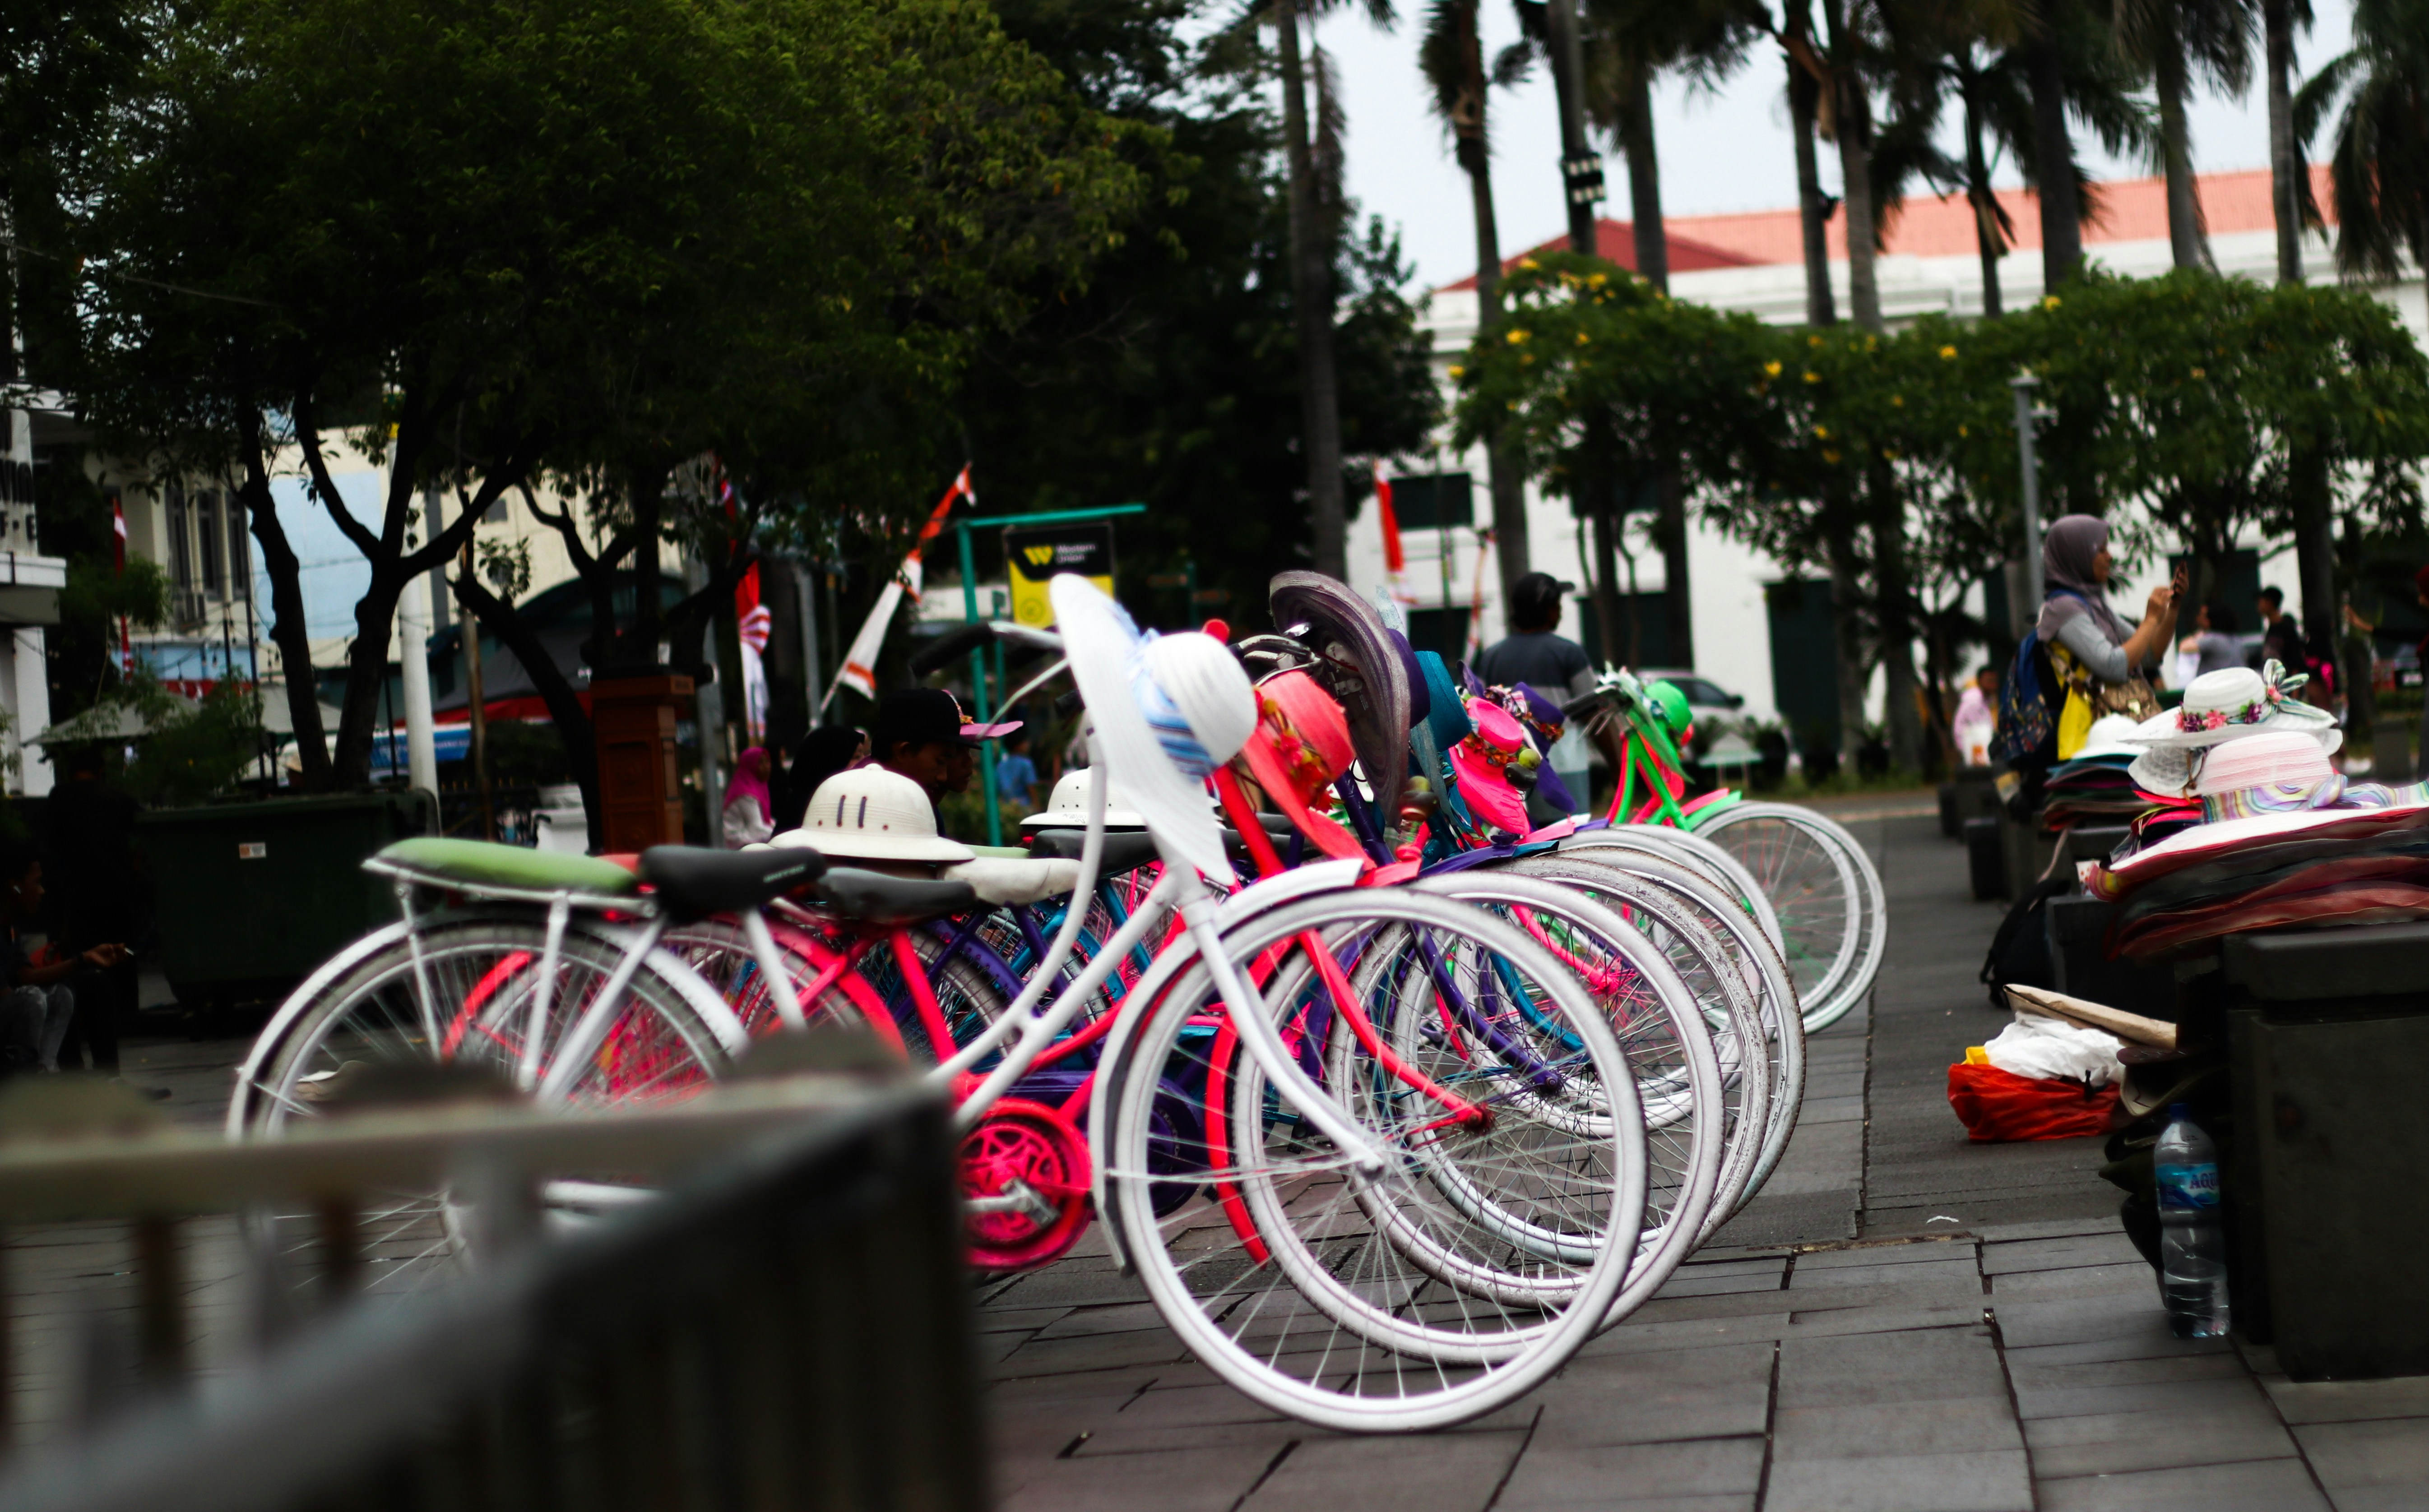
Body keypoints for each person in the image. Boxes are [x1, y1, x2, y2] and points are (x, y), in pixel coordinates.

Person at [42, 746, 149, 1083]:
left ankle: (85, 1023)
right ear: (102, 769)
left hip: (77, 893)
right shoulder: (117, 799)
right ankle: (124, 1015)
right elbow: (144, 831)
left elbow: (50, 845)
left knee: (85, 960)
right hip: (116, 890)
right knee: (121, 953)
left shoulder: (59, 798)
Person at [2037, 514, 2183, 758]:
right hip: (2089, 737)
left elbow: (2148, 656)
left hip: (2114, 730)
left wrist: (2173, 609)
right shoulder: (2062, 608)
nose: (2110, 557)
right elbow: (2113, 667)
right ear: (2078, 555)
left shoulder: (2093, 604)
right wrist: (2150, 620)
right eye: (2102, 550)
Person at [0, 842, 131, 1075]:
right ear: (16, 888)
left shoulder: (10, 927)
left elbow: (26, 975)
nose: (43, 892)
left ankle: (72, 1076)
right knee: (34, 999)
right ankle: (27, 1077)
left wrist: (83, 960)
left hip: (13, 1004)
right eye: (37, 883)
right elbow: (15, 992)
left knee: (70, 990)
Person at [871, 687, 1019, 806]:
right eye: (943, 758)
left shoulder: (918, 804)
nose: (970, 762)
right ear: (904, 752)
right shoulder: (878, 805)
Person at [1475, 572, 1595, 702]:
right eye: (1557, 604)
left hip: (1505, 724)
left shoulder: (1491, 656)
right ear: (1548, 609)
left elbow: (1479, 705)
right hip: (1559, 724)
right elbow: (1591, 708)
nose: (1560, 610)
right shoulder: (1570, 653)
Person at [720, 746, 774, 847]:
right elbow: (757, 828)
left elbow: (765, 821)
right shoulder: (746, 793)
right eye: (760, 763)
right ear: (751, 766)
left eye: (767, 761)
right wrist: (780, 833)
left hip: (749, 843)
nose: (766, 766)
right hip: (741, 846)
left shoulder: (758, 786)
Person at [2178, 602, 2243, 679]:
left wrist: (2200, 633)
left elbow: (2184, 647)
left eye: (2203, 617)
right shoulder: (2237, 640)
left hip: (2213, 686)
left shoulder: (2213, 640)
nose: (2198, 619)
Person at [1951, 666, 1998, 766]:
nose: (1993, 685)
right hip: (1974, 753)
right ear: (1979, 682)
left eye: (1995, 681)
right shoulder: (1974, 703)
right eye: (1989, 681)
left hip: (1976, 749)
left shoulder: (1986, 700)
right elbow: (1981, 734)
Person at [994, 729, 1040, 820]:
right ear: (1017, 746)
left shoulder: (1000, 766)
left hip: (1007, 810)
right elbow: (1031, 788)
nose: (1028, 745)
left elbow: (998, 791)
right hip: (1025, 809)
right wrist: (1037, 809)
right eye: (1025, 742)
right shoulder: (1026, 764)